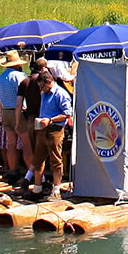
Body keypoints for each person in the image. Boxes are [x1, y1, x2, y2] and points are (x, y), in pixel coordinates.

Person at [32, 69, 74, 201]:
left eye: (42, 86)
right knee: (38, 159)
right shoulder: (44, 94)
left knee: (55, 160)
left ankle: (56, 190)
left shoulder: (60, 94)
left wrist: (50, 120)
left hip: (55, 129)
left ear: (48, 82)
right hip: (42, 129)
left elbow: (67, 113)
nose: (41, 88)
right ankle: (37, 188)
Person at [0, 51, 30, 178]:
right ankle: (31, 172)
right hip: (17, 111)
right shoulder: (20, 76)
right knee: (26, 143)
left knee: (11, 144)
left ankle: (13, 170)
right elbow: (24, 94)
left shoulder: (0, 79)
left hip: (6, 112)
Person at [18, 59, 51, 187]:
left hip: (30, 119)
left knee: (34, 149)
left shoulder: (25, 81)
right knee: (42, 150)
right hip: (42, 118)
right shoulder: (43, 81)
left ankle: (35, 178)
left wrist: (17, 121)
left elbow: (18, 105)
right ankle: (39, 180)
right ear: (43, 68)